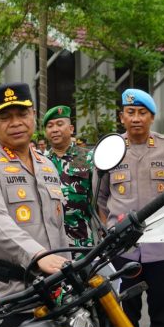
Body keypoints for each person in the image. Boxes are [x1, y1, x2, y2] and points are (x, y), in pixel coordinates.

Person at [97, 88, 164, 327]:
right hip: (123, 251)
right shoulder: (109, 149)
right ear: (121, 116)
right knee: (125, 314)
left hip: (160, 249)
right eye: (130, 112)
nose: (136, 118)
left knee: (163, 314)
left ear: (151, 116)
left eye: (142, 113)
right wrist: (111, 234)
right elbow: (99, 200)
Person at [0, 83, 68, 327]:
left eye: (22, 114)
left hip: (52, 291)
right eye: (4, 116)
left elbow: (57, 227)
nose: (16, 122)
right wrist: (36, 255)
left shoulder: (46, 165)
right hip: (8, 297)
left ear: (33, 115)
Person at [43, 105, 94, 247]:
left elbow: (98, 197)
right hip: (50, 244)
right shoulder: (40, 161)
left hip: (82, 241)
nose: (54, 129)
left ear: (71, 129)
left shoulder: (85, 157)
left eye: (60, 124)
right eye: (50, 126)